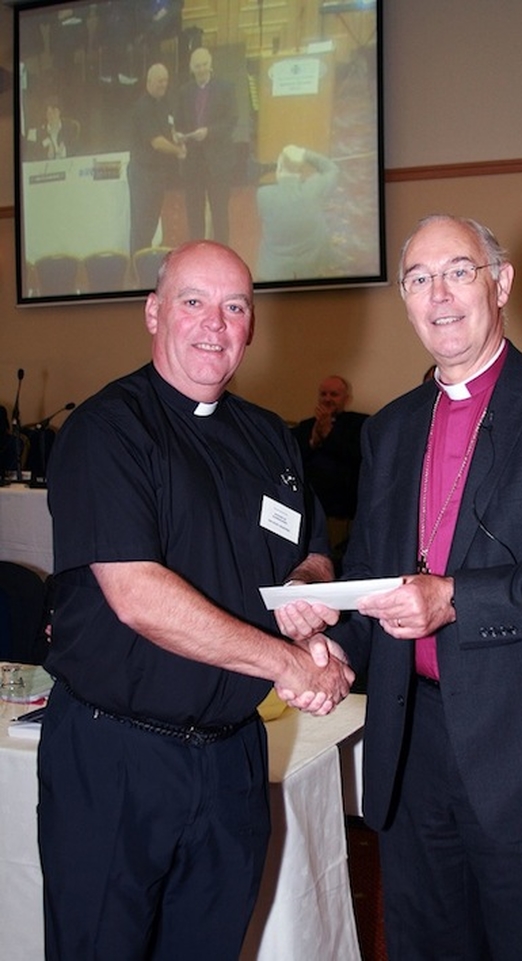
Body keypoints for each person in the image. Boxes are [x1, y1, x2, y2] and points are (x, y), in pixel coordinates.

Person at [279, 215, 522, 960]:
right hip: (415, 751)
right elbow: (378, 572)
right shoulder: (391, 429)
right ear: (405, 300)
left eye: (458, 271)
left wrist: (456, 599)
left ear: (501, 282)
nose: (438, 294)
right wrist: (329, 635)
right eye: (418, 278)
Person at [38, 240, 353, 961]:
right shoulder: (107, 429)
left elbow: (308, 549)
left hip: (232, 764)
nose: (215, 323)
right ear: (154, 313)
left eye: (235, 306)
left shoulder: (270, 436)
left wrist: (305, 591)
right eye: (193, 301)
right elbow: (138, 596)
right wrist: (287, 662)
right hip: (115, 759)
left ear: (251, 326)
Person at [292, 375, 367, 567]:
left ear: (346, 399)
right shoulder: (305, 427)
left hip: (344, 514)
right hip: (307, 512)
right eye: (323, 394)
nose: (327, 398)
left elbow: (358, 458)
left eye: (334, 394)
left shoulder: (359, 425)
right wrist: (314, 440)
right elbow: (293, 461)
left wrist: (329, 435)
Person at [175, 47, 238, 244]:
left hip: (218, 163)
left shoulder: (226, 88)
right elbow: (178, 122)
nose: (201, 69)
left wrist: (209, 132)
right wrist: (177, 134)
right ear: (191, 68)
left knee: (220, 214)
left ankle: (222, 256)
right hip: (193, 164)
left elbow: (231, 121)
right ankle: (197, 253)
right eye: (197, 66)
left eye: (204, 65)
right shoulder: (184, 91)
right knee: (194, 214)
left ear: (211, 65)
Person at [256, 144, 339, 281]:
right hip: (311, 268)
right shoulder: (314, 189)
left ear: (279, 168)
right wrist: (305, 154)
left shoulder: (263, 195)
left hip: (273, 273)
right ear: (300, 170)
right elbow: (332, 169)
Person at [127, 62, 186, 255]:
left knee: (151, 222)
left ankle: (143, 262)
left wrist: (178, 136)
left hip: (158, 173)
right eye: (160, 80)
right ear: (149, 81)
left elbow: (170, 128)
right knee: (142, 224)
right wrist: (178, 150)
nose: (164, 84)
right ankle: (136, 269)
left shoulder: (165, 103)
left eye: (166, 80)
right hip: (143, 173)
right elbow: (157, 142)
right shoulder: (143, 106)